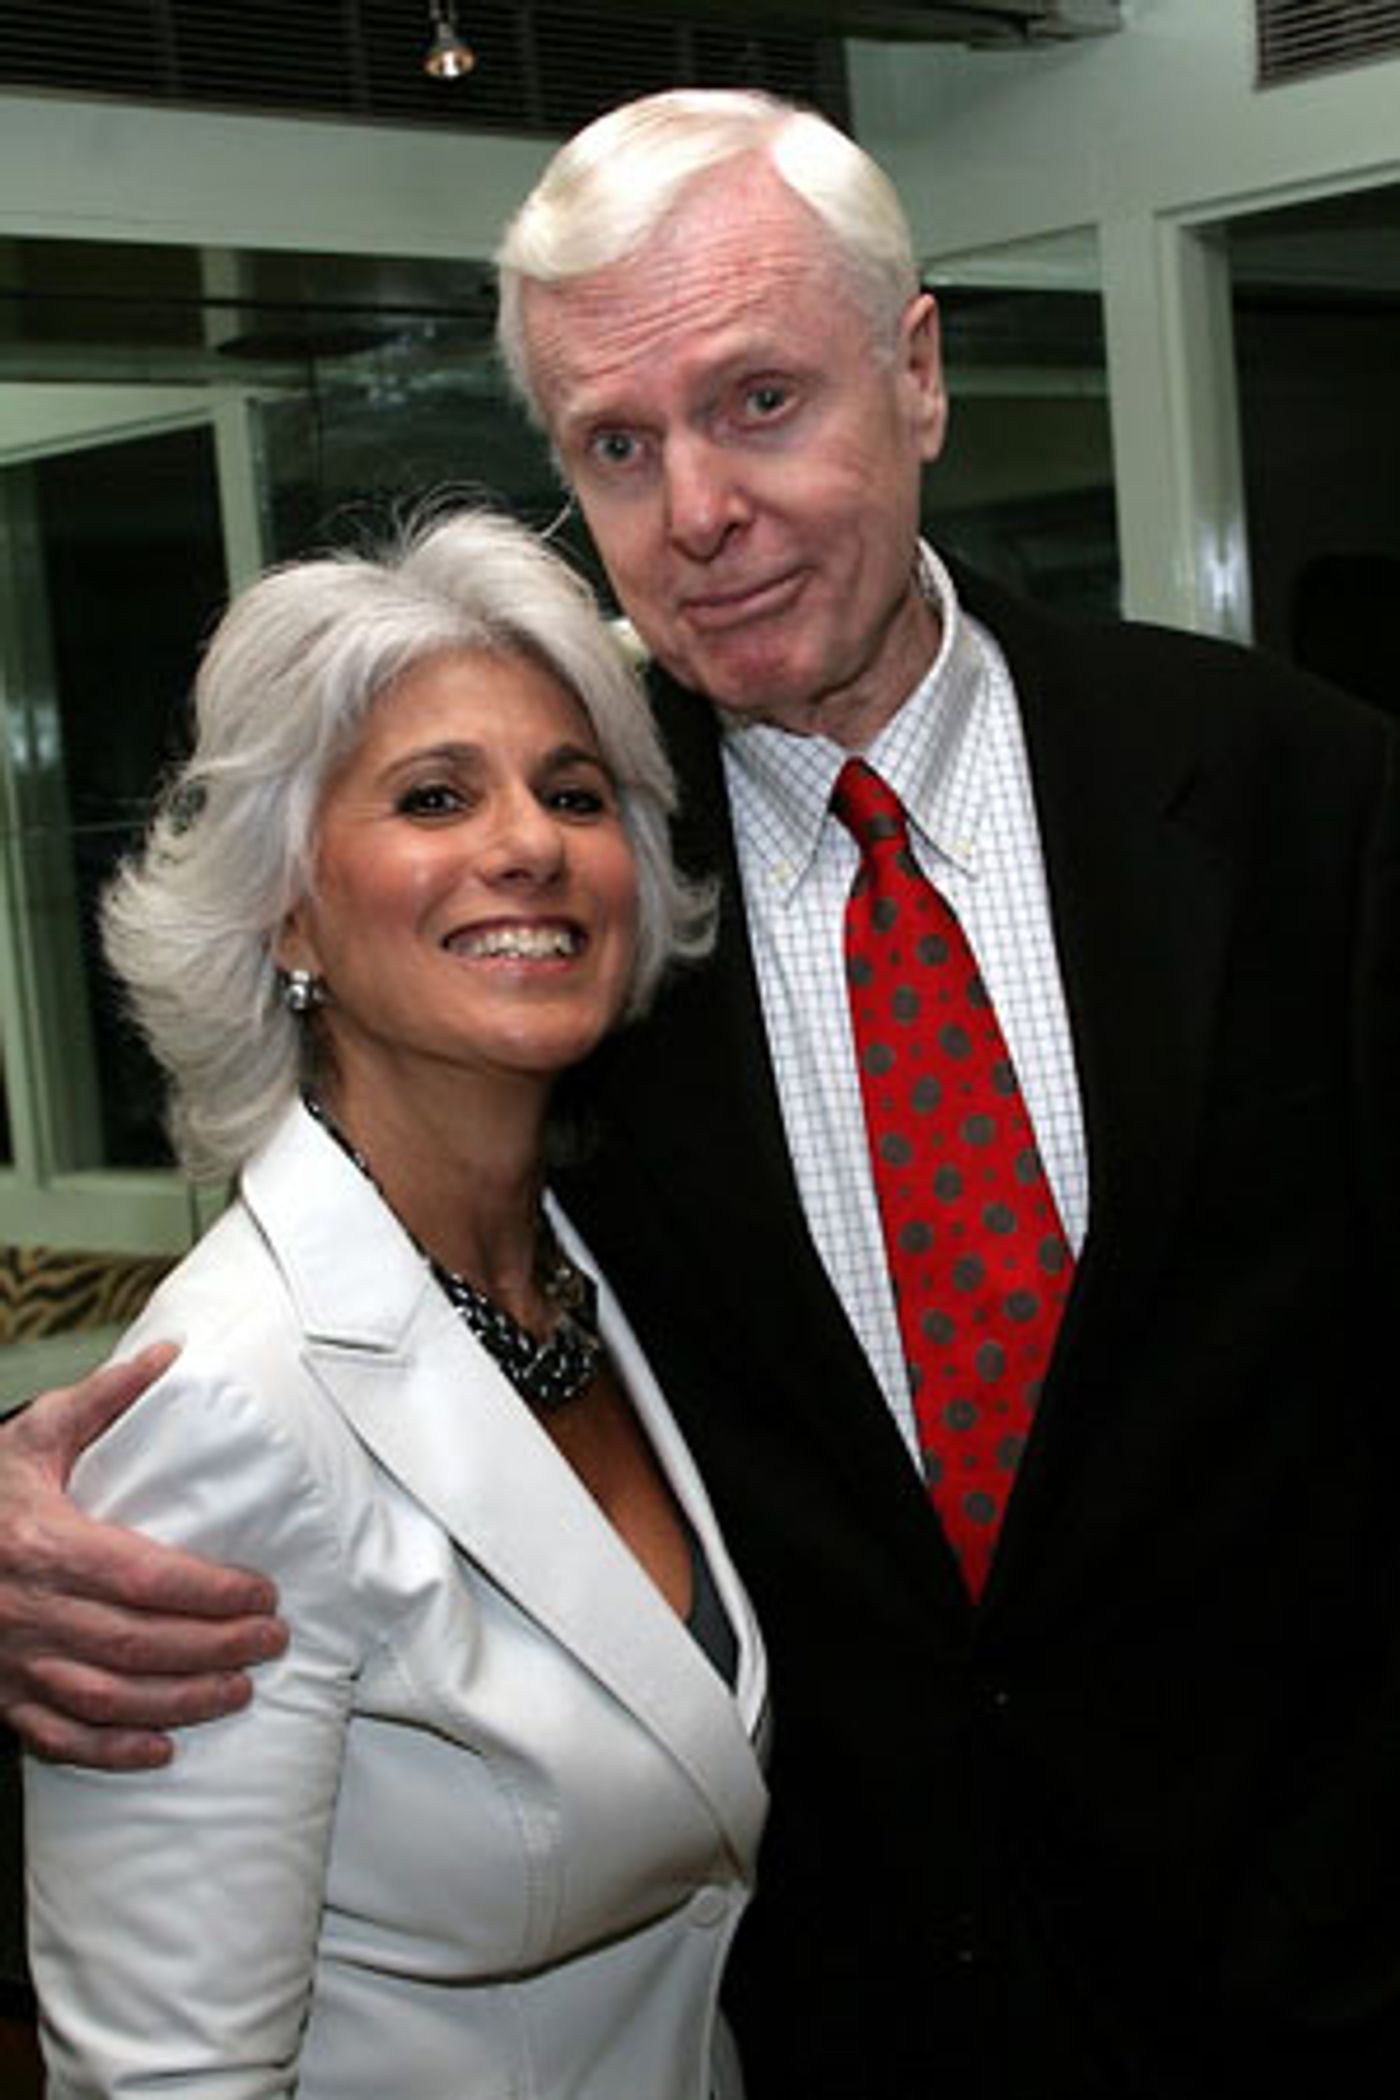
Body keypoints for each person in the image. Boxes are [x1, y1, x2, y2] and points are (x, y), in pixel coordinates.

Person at [4, 85, 1400, 2100]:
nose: (698, 512)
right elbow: (353, 1306)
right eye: (617, 446)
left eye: (758, 401)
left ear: (915, 374)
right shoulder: (572, 910)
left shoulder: (1303, 801)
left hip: (1314, 1990)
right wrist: (42, 1498)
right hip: (835, 2024)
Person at [20, 507, 768, 2100]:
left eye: (575, 793)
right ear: (288, 911)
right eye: (436, 796)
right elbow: (169, 2076)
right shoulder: (228, 1408)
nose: (529, 844)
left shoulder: (591, 1275)